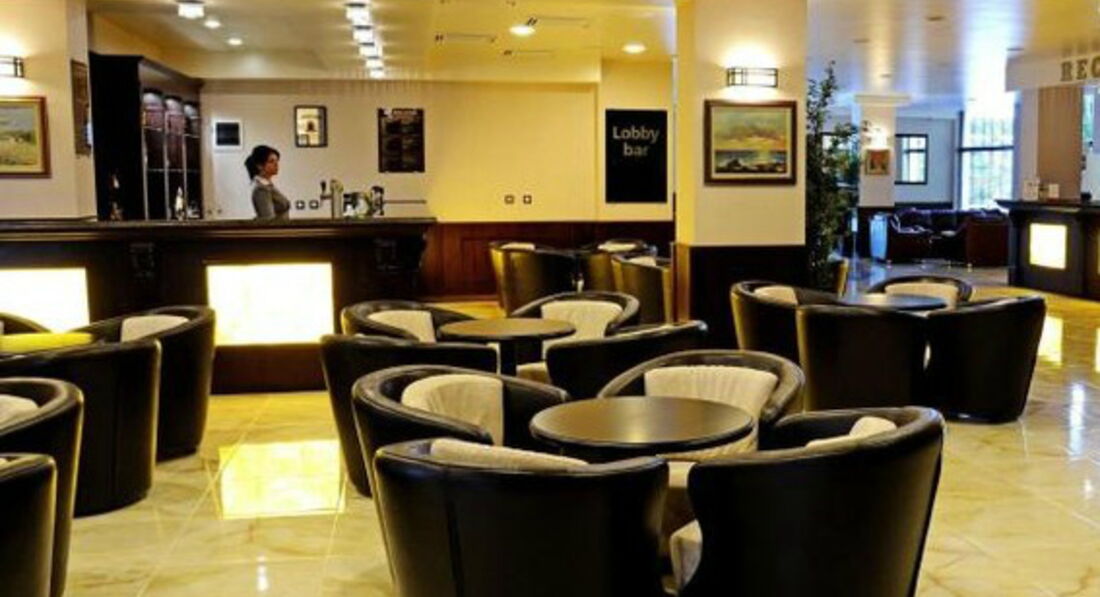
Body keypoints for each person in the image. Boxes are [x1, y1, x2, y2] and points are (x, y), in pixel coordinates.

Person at [245, 145, 291, 220]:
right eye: (271, 161)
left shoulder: (268, 186)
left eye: (277, 161)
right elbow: (267, 219)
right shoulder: (261, 189)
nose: (276, 164)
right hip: (277, 227)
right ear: (260, 166)